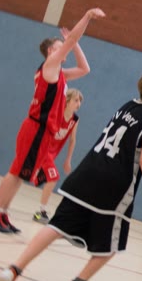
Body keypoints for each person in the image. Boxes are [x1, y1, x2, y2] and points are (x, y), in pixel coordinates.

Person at [0, 68, 142, 281]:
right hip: (114, 183)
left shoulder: (126, 106)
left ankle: (13, 270)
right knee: (113, 242)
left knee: (56, 226)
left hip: (86, 171)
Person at [0, 11, 105, 234]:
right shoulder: (50, 65)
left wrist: (73, 44)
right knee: (15, 173)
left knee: (21, 175)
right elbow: (72, 39)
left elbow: (85, 69)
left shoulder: (60, 74)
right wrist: (86, 17)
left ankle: (2, 213)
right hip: (36, 127)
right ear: (50, 51)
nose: (65, 47)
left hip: (43, 131)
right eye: (60, 46)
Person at [29, 88, 83, 224]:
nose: (79, 104)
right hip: (42, 150)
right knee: (53, 177)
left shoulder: (75, 120)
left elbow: (72, 140)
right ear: (67, 101)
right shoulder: (56, 114)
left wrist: (68, 159)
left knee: (26, 176)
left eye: (80, 101)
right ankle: (41, 211)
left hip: (52, 154)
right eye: (76, 100)